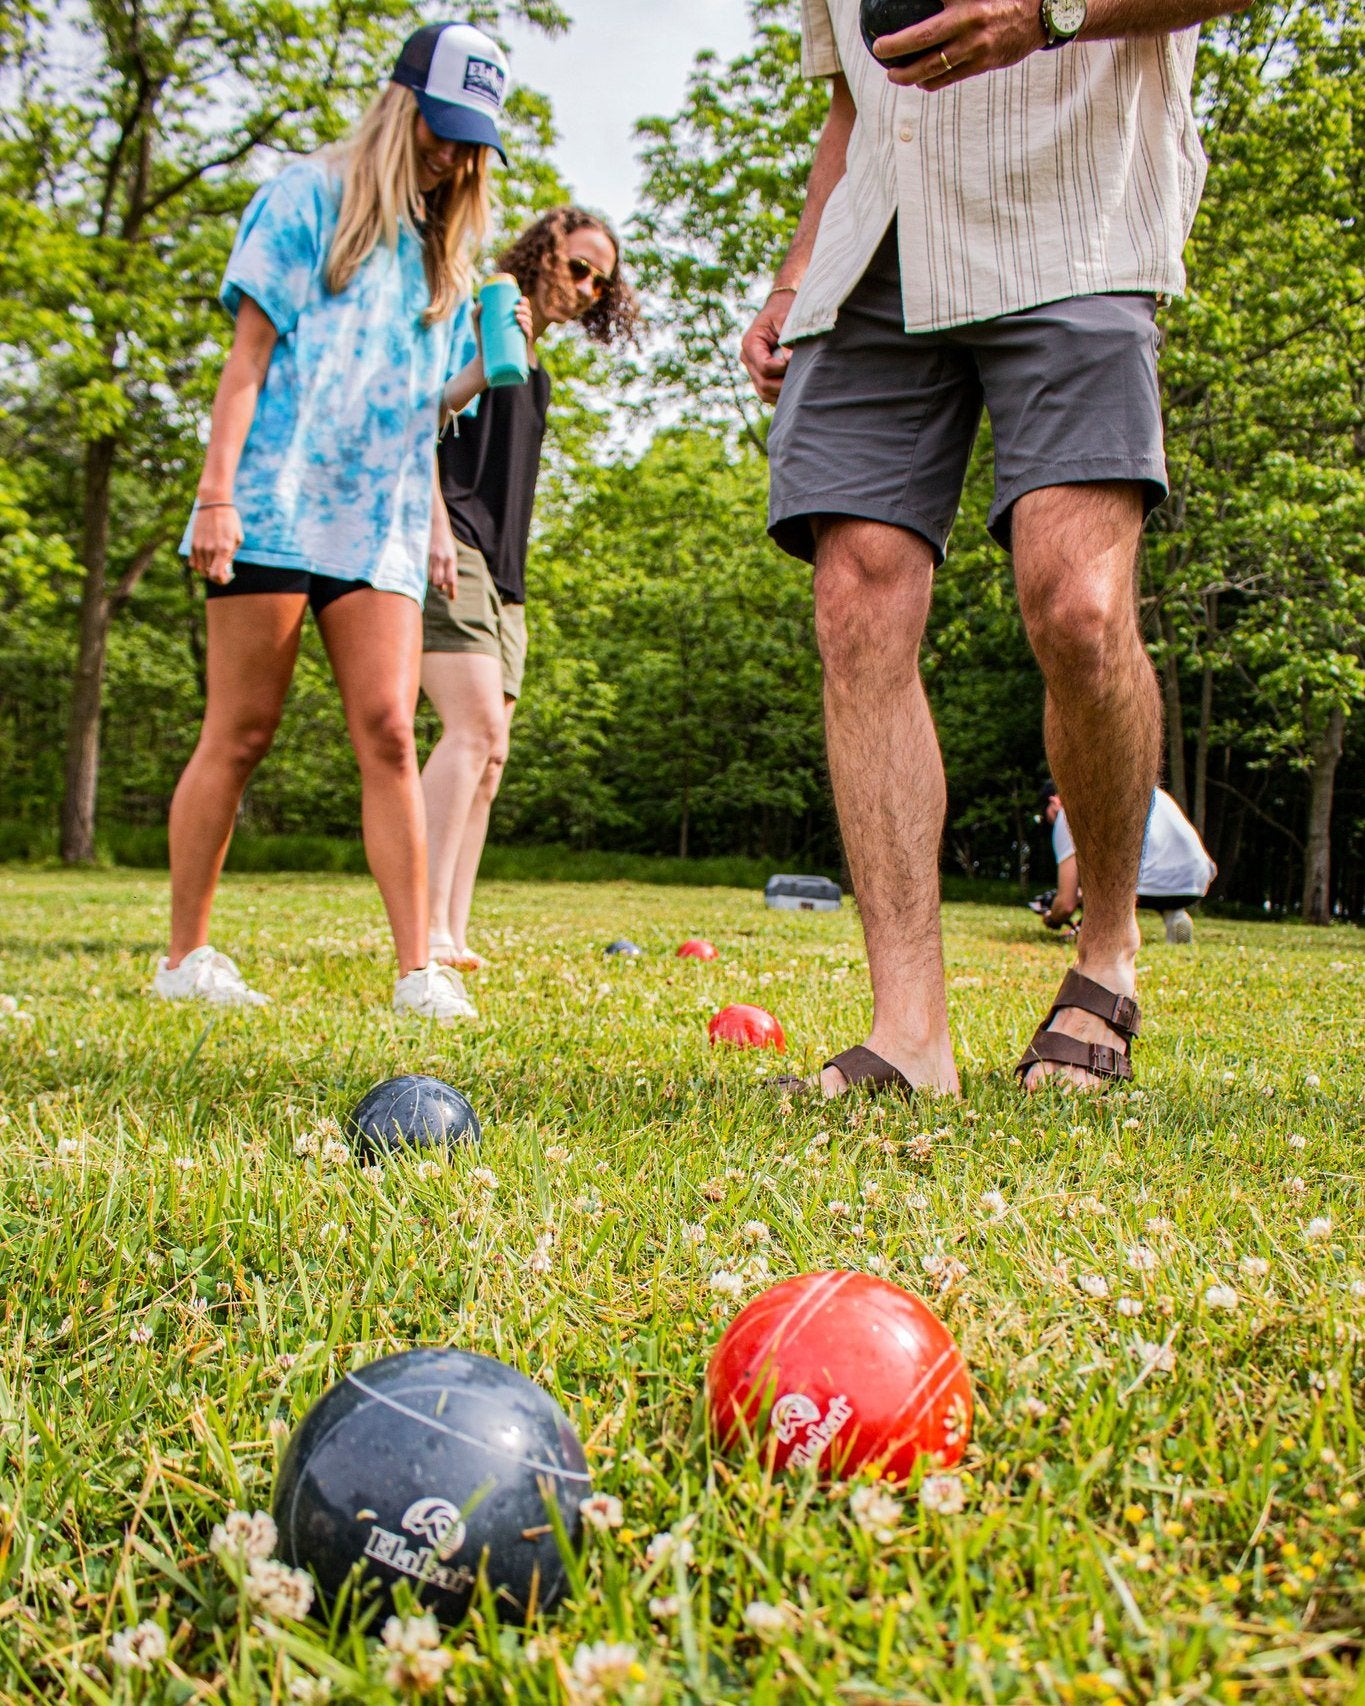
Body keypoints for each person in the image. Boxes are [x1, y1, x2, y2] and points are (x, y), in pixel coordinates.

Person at [744, 0, 1250, 1094]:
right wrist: (794, 275)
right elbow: (850, 103)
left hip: (1076, 218)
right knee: (856, 598)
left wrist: (1049, 14)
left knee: (1079, 602)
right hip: (877, 241)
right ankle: (908, 1031)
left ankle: (1106, 959)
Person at [155, 23, 528, 1018]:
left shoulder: (449, 246)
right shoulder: (304, 198)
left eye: (470, 143)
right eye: (442, 131)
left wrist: (474, 393)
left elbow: (423, 399)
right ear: (401, 105)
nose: (453, 157)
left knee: (390, 734)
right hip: (273, 502)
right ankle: (184, 954)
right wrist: (215, 493)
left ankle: (420, 969)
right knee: (239, 731)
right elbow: (247, 360)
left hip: (383, 520)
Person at [419, 208, 638, 984]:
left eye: (600, 280)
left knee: (492, 753)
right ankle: (421, 926)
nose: (586, 288)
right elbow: (421, 417)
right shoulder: (483, 313)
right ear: (543, 251)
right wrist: (434, 527)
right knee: (470, 727)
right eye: (577, 267)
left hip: (506, 570)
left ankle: (451, 922)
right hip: (451, 540)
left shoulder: (534, 365)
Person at [1039, 782, 1217, 944]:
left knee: (1096, 881)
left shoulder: (1070, 809)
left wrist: (1052, 918)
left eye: (1048, 817)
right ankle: (1174, 916)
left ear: (1054, 801)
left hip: (1143, 884)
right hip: (1195, 879)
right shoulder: (1141, 787)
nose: (1052, 823)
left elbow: (1065, 904)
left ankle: (1106, 930)